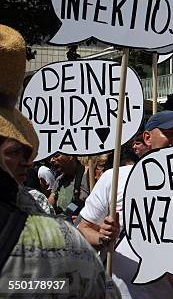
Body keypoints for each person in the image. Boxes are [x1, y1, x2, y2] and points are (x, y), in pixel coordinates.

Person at [0, 23, 118, 298]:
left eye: (26, 152)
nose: (28, 162)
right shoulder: (61, 244)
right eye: (15, 151)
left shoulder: (58, 240)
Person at [78, 110, 173, 299]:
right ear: (148, 138)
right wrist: (102, 236)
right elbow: (83, 228)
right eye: (170, 134)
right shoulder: (116, 178)